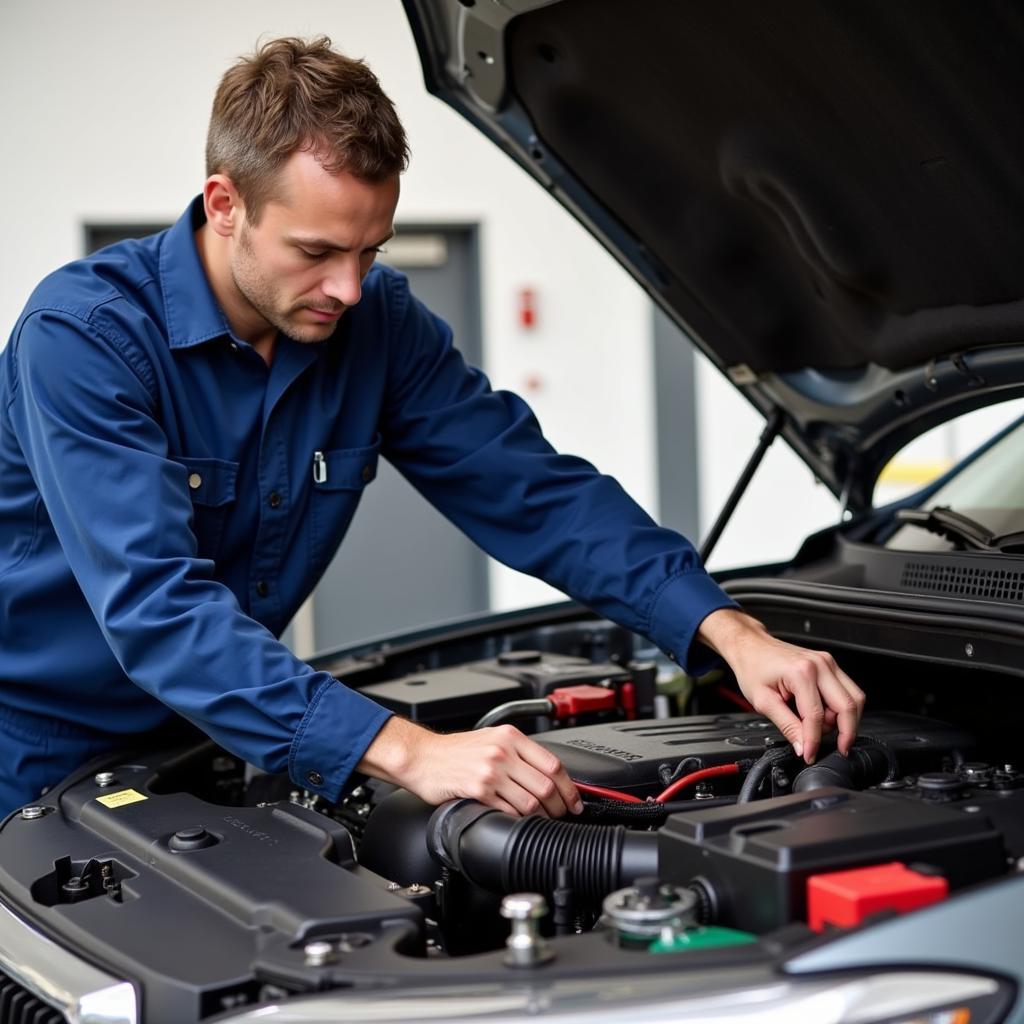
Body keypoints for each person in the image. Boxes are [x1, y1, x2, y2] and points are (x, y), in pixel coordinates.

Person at [0, 37, 864, 819]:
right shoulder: (86, 339)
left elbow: (535, 493)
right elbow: (158, 609)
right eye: (315, 252)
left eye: (370, 250)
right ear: (225, 204)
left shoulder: (377, 324)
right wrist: (408, 751)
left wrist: (727, 631)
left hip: (212, 737)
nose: (348, 288)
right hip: (33, 750)